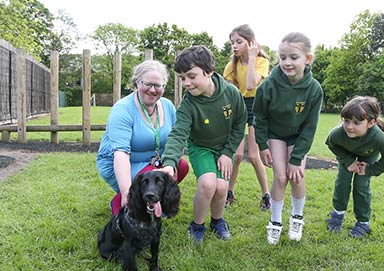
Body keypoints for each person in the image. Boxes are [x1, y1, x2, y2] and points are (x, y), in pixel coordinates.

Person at [160, 45, 247, 244]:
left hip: (224, 149)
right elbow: (178, 133)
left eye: (191, 76)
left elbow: (240, 123)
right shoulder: (188, 104)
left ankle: (217, 221)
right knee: (208, 184)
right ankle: (197, 225)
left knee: (222, 187)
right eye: (182, 78)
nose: (186, 83)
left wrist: (227, 153)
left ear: (209, 72)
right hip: (201, 148)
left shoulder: (231, 94)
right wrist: (169, 162)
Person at [253, 32, 323, 245]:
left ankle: (297, 217)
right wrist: (262, 145)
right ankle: (275, 222)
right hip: (275, 134)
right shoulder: (269, 85)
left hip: (298, 136)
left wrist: (296, 158)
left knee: (297, 176)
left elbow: (310, 128)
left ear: (307, 59)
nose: (287, 62)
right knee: (281, 177)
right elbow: (260, 116)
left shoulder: (314, 89)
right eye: (283, 57)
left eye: (294, 57)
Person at [96, 59, 189, 216]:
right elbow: (121, 154)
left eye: (158, 85)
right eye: (147, 84)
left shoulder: (168, 106)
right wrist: (127, 192)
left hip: (153, 161)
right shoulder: (123, 110)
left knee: (181, 166)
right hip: (120, 161)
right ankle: (122, 201)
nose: (153, 90)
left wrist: (169, 164)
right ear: (137, 82)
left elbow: (176, 140)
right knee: (153, 174)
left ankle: (156, 203)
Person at [325, 96, 384, 238]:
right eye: (346, 121)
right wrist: (347, 161)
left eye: (357, 123)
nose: (350, 126)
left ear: (371, 123)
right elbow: (332, 145)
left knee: (361, 185)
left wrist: (369, 170)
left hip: (368, 156)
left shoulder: (379, 138)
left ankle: (363, 222)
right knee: (342, 182)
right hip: (347, 155)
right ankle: (337, 215)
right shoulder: (338, 134)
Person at [222, 24, 271, 211]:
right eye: (232, 42)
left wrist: (251, 57)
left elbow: (251, 85)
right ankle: (229, 192)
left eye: (239, 42)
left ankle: (266, 195)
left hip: (255, 106)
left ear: (251, 43)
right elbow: (228, 92)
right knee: (236, 155)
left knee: (253, 155)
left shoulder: (260, 62)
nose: (234, 46)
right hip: (237, 105)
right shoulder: (230, 66)